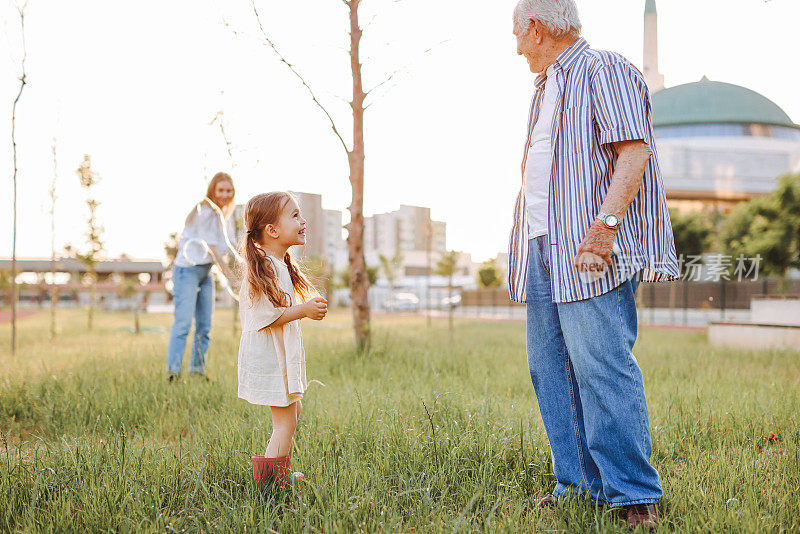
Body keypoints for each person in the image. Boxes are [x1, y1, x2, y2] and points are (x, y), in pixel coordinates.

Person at [508, 0, 680, 528]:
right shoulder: (547, 88)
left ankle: (632, 495)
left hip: (586, 246)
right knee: (551, 370)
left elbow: (634, 150)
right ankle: (579, 482)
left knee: (602, 365)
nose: (516, 47)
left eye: (517, 35)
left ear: (536, 29)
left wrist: (602, 230)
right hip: (542, 246)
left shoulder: (603, 67)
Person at [237, 192, 328, 489]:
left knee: (292, 413)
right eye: (295, 215)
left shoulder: (277, 262)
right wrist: (303, 310)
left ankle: (278, 476)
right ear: (272, 230)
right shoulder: (265, 266)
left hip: (277, 355)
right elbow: (266, 317)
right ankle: (270, 487)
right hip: (270, 357)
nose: (303, 221)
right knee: (284, 422)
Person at [166, 172, 238, 382]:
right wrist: (231, 279)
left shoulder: (225, 214)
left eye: (228, 190)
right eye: (221, 190)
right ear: (212, 191)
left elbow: (227, 247)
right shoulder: (205, 212)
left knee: (205, 326)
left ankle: (197, 371)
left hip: (205, 273)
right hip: (187, 270)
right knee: (183, 324)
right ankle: (173, 372)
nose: (225, 194)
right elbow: (213, 249)